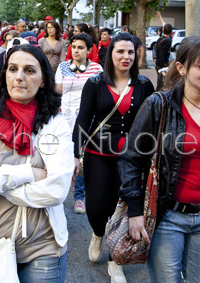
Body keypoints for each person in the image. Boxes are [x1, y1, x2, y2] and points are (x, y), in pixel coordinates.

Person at [121, 36, 200, 283]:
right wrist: (135, 211)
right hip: (167, 217)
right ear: (181, 68)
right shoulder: (159, 105)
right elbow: (131, 158)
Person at [0, 44, 73, 282]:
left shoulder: (56, 124)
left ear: (43, 80)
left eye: (29, 70)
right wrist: (28, 173)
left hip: (42, 247)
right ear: (4, 75)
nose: (19, 77)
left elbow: (56, 190)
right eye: (13, 69)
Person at [72, 32, 154, 283]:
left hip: (131, 157)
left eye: (131, 52)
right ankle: (98, 233)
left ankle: (115, 260)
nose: (126, 57)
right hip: (98, 153)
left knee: (123, 209)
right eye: (120, 51)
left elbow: (150, 123)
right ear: (111, 54)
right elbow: (83, 119)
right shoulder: (95, 83)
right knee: (98, 207)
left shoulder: (144, 85)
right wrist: (75, 153)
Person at [55, 33, 102, 215]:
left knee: (80, 157)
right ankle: (57, 196)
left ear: (89, 50)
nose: (76, 51)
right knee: (61, 156)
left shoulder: (96, 69)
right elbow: (57, 91)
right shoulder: (63, 67)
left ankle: (79, 197)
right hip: (63, 117)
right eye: (74, 47)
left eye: (81, 47)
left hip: (85, 119)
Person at [155, 23, 173, 90]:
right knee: (161, 83)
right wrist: (164, 66)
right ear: (171, 32)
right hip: (161, 65)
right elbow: (162, 54)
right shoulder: (168, 41)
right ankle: (158, 96)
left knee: (160, 81)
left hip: (158, 63)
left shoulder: (160, 39)